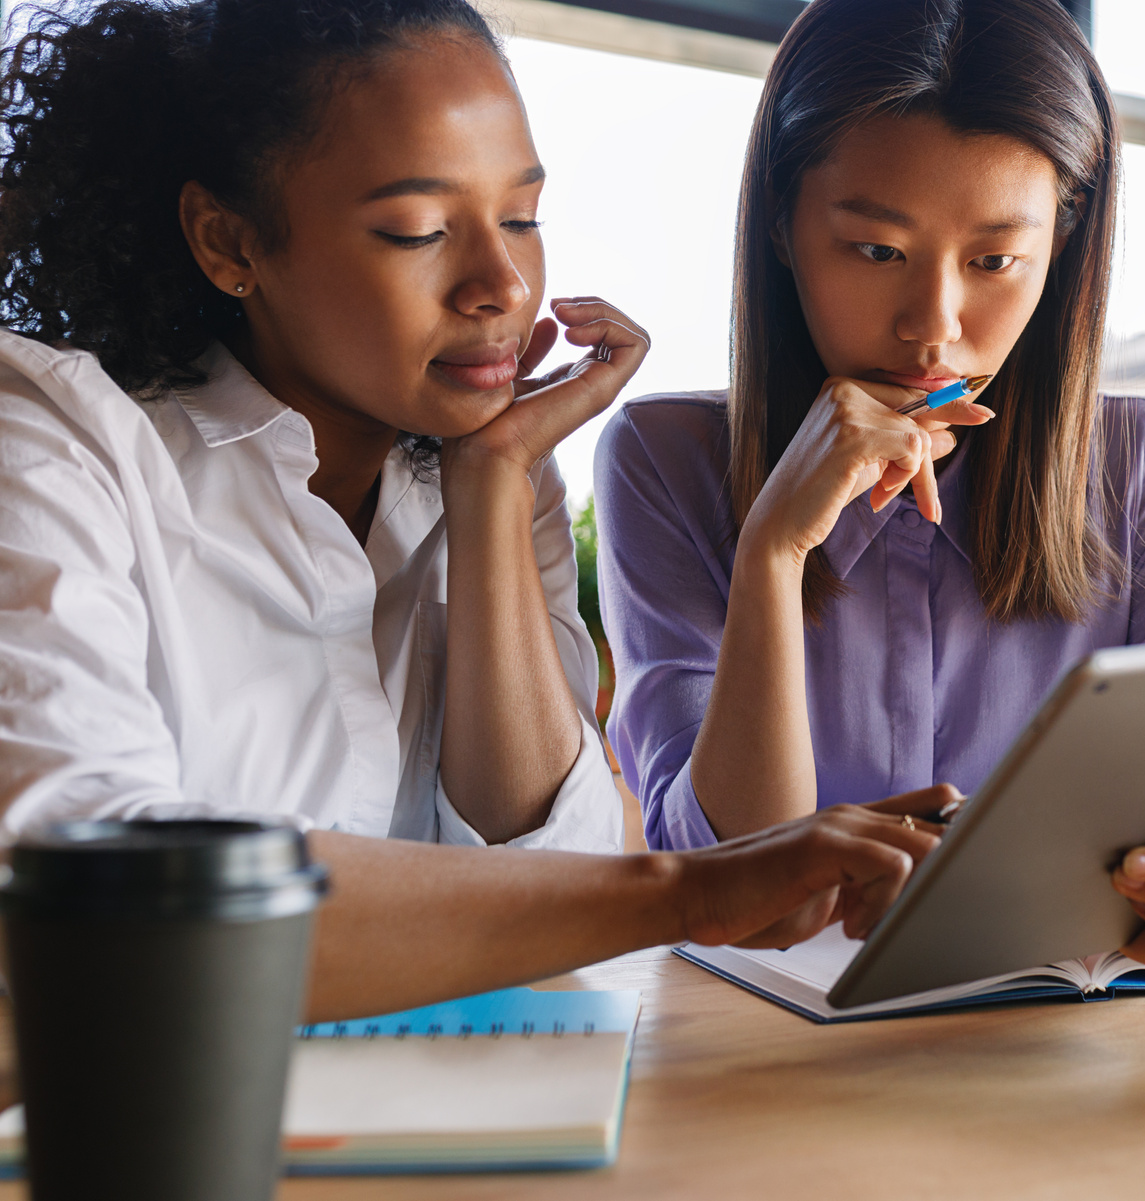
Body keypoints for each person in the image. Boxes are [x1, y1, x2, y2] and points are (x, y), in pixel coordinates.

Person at [0, 0, 947, 1022]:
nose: (500, 284)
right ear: (228, 240)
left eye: (521, 217)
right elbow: (88, 893)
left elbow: (556, 888)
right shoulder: (56, 438)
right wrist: (698, 888)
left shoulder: (494, 472)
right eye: (416, 229)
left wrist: (493, 481)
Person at [598, 0, 1145, 968]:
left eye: (994, 261)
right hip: (764, 1067)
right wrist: (772, 550)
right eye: (876, 251)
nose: (932, 327)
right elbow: (730, 894)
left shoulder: (1142, 466)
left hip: (1056, 1059)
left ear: (1060, 246)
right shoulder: (664, 460)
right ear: (778, 220)